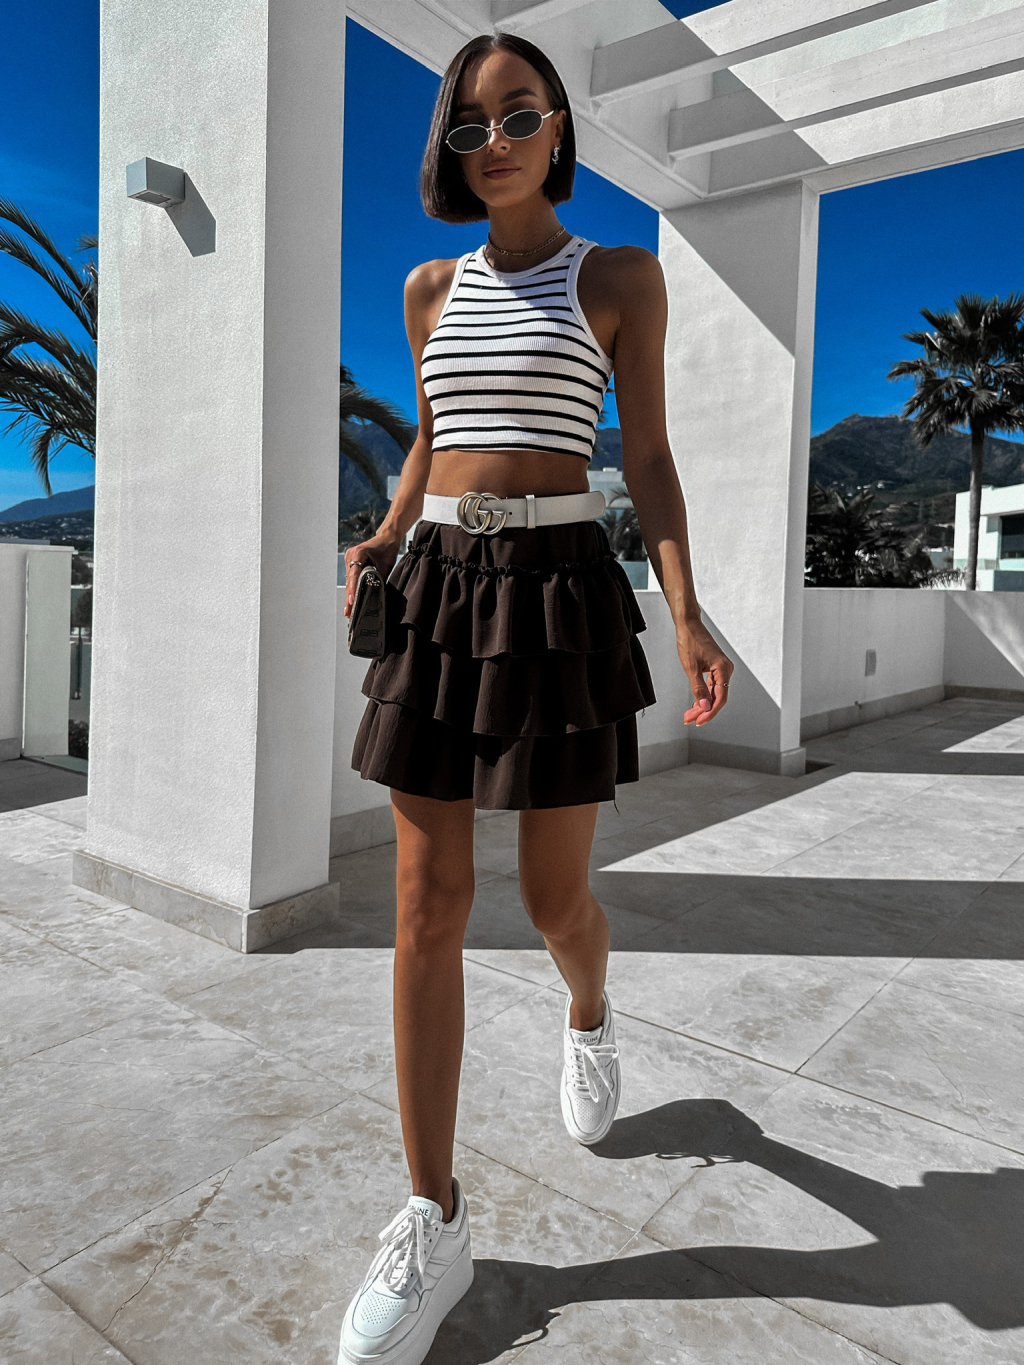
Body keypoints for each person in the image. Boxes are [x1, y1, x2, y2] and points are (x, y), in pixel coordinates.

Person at [336, 30, 733, 1365]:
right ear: (450, 151)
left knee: (556, 899)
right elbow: (431, 442)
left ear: (559, 126)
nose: (494, 142)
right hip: (442, 591)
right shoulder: (427, 288)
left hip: (560, 593)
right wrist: (386, 532)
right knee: (425, 901)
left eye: (517, 115)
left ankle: (589, 1011)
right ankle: (433, 1215)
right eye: (469, 126)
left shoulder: (617, 276)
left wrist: (685, 606)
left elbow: (650, 457)